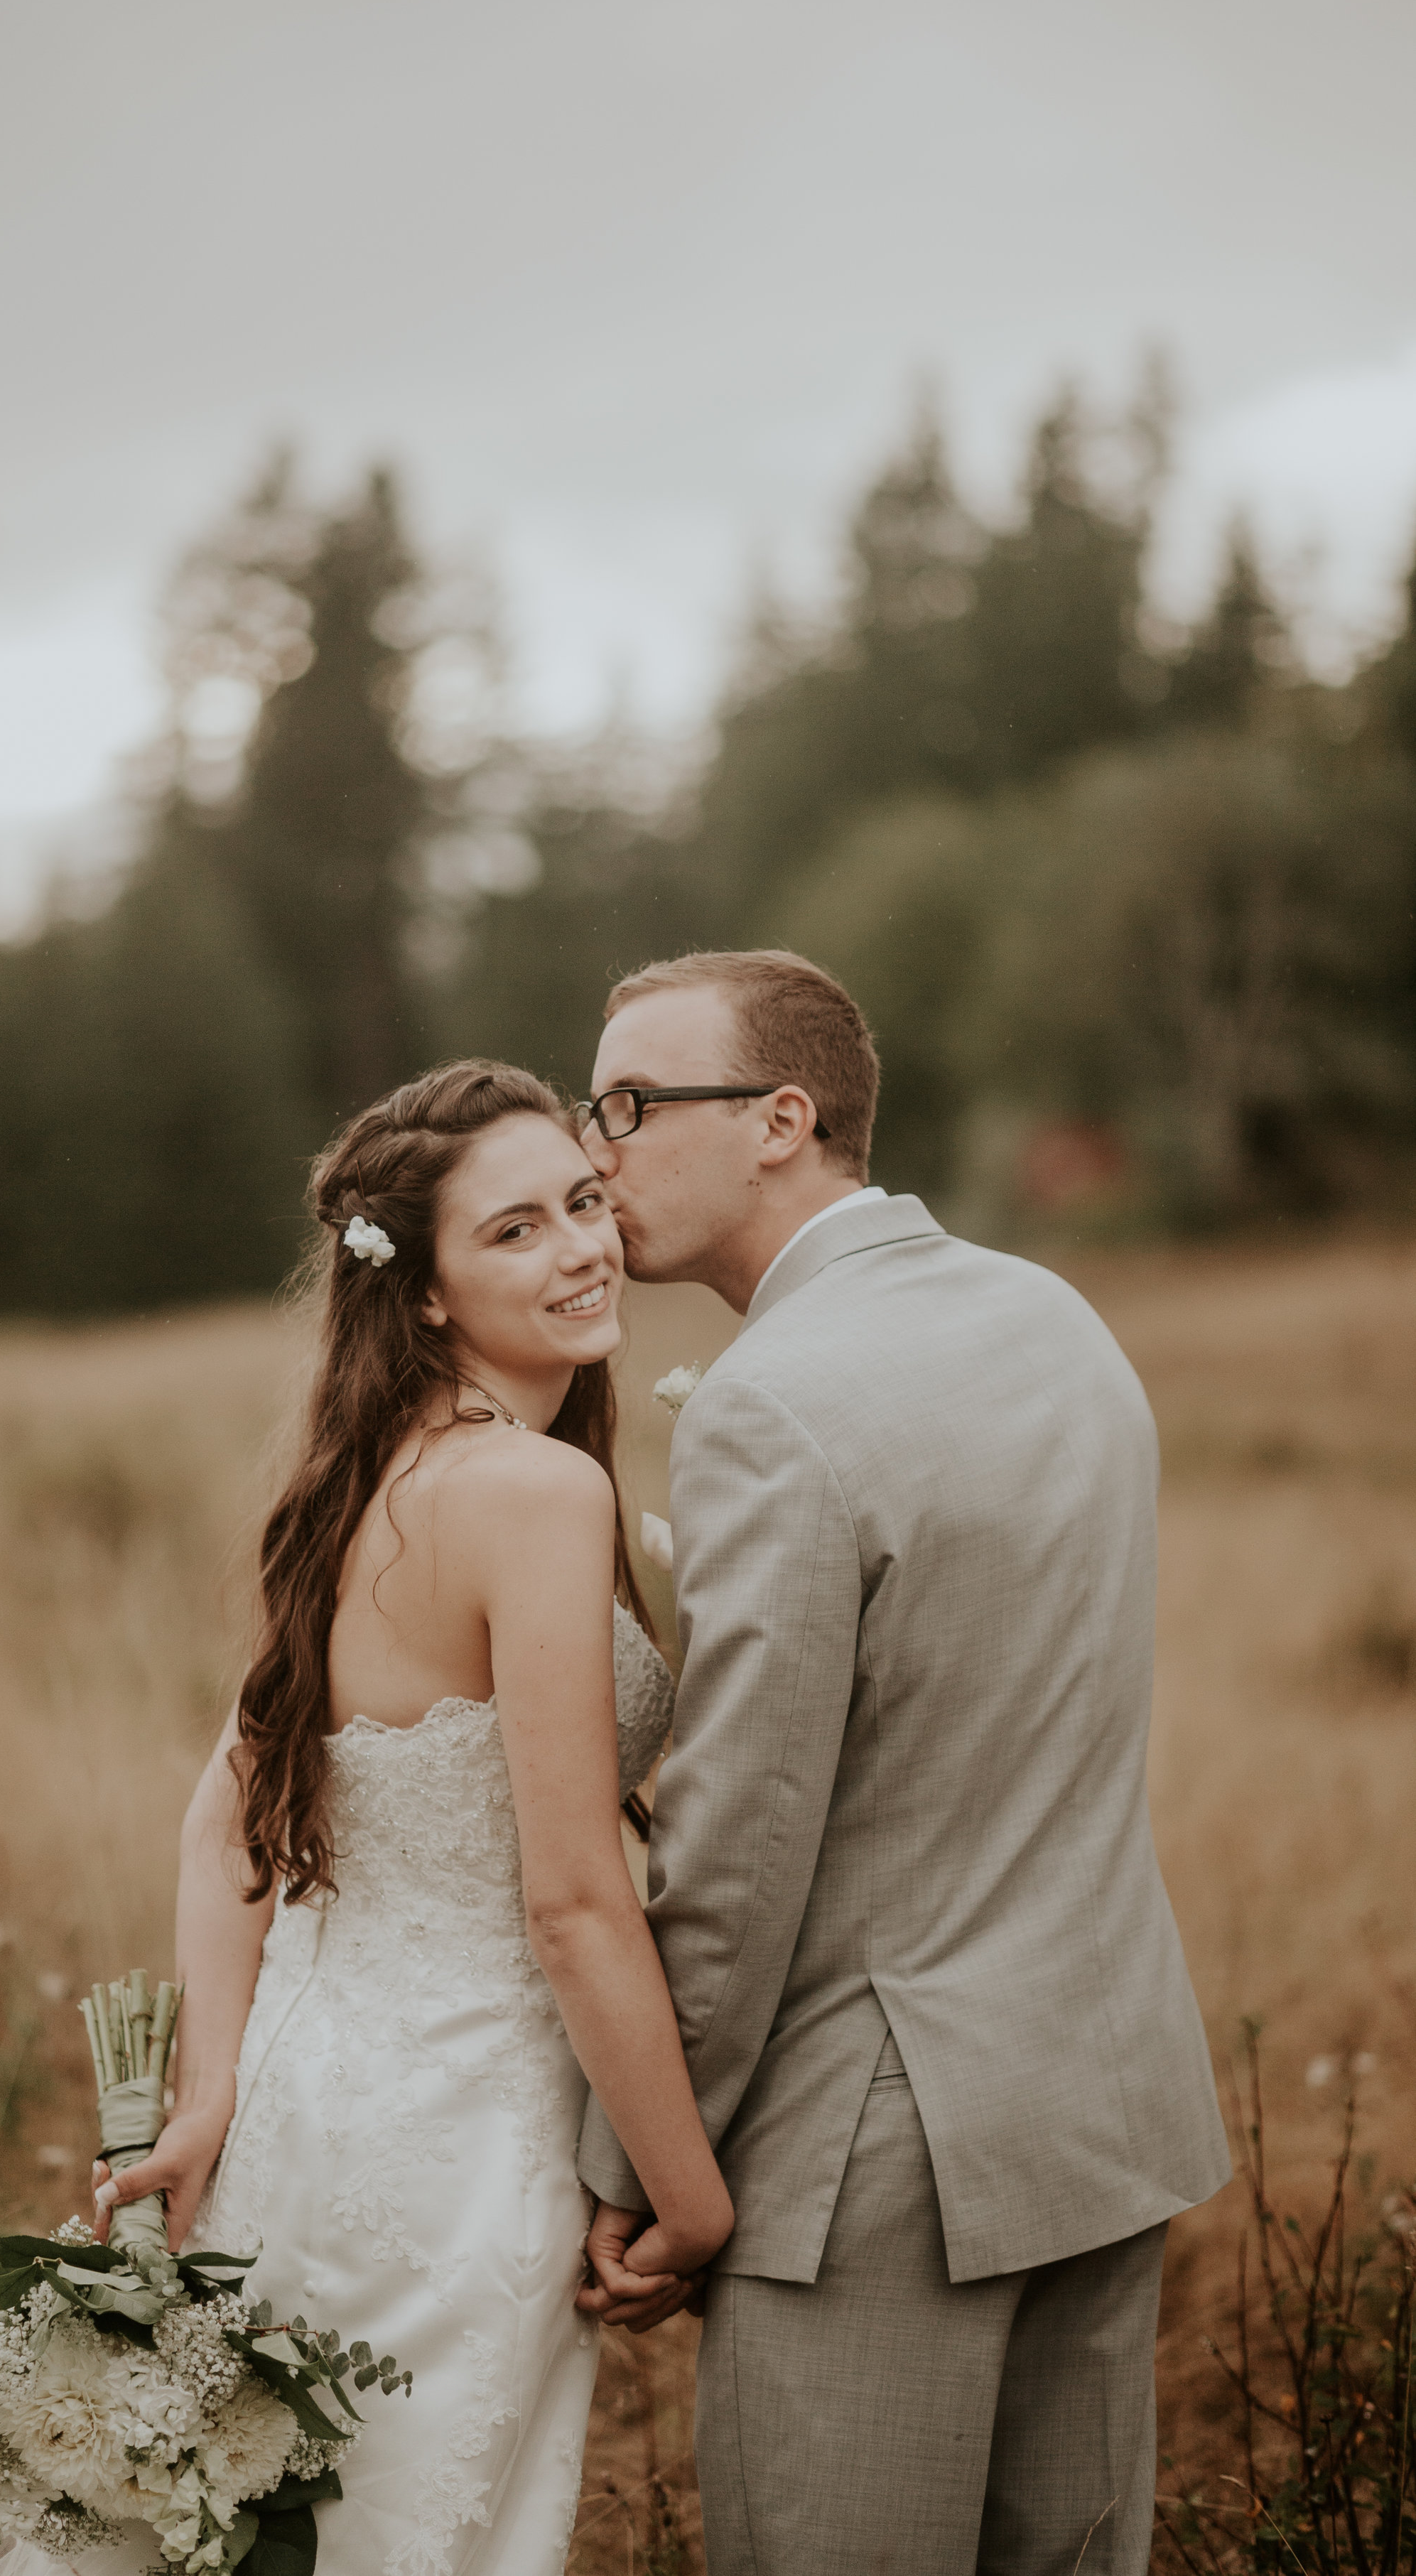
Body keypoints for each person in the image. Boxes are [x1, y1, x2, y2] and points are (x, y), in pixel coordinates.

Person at [0, 1060, 730, 2576]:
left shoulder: (363, 1472)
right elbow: (573, 1904)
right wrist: (688, 2205)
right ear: (422, 1293)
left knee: (241, 2536)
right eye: (513, 1232)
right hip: (455, 2143)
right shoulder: (529, 1496)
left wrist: (212, 2101)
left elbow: (223, 1822)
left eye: (582, 1203)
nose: (579, 1247)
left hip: (304, 2118)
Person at [572, 951, 1231, 2576]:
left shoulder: (766, 1406)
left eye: (635, 1105)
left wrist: (645, 2165)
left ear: (783, 1119)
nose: (596, 1152)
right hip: (1099, 2101)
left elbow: (736, 1851)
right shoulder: (1054, 1317)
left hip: (876, 2162)